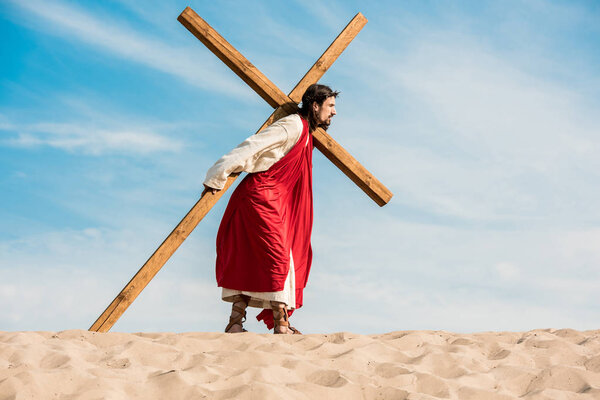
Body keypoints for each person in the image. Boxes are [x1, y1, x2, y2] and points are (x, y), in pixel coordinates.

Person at [202, 84, 338, 334]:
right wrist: (216, 175)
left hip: (275, 201)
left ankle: (235, 322)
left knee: (257, 259)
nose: (335, 112)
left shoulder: (307, 132)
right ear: (315, 105)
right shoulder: (293, 125)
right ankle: (281, 324)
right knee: (279, 257)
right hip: (261, 198)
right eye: (330, 106)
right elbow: (252, 146)